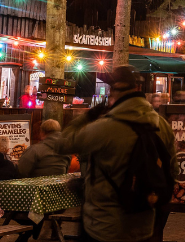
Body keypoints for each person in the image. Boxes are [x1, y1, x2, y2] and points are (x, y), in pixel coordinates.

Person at [59, 65, 176, 242]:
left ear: (113, 91)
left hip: (102, 225)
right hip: (143, 225)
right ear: (138, 89)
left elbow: (64, 143)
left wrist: (89, 115)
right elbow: (173, 169)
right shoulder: (161, 124)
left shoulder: (105, 127)